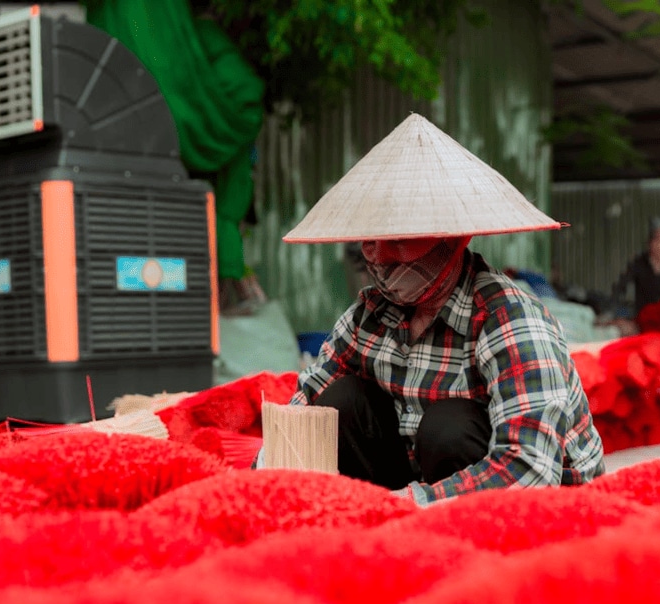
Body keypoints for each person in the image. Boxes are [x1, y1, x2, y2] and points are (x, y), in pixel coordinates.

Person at [253, 113, 604, 506]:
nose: (381, 258)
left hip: (538, 502)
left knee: (449, 426)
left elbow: (529, 470)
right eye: (371, 241)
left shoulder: (508, 319)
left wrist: (407, 504)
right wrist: (269, 466)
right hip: (418, 488)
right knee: (343, 399)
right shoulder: (368, 315)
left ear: (453, 239)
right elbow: (308, 397)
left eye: (400, 240)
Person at [611, 217, 660, 319]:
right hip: (643, 317)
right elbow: (619, 288)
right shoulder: (638, 264)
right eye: (657, 239)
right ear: (650, 242)